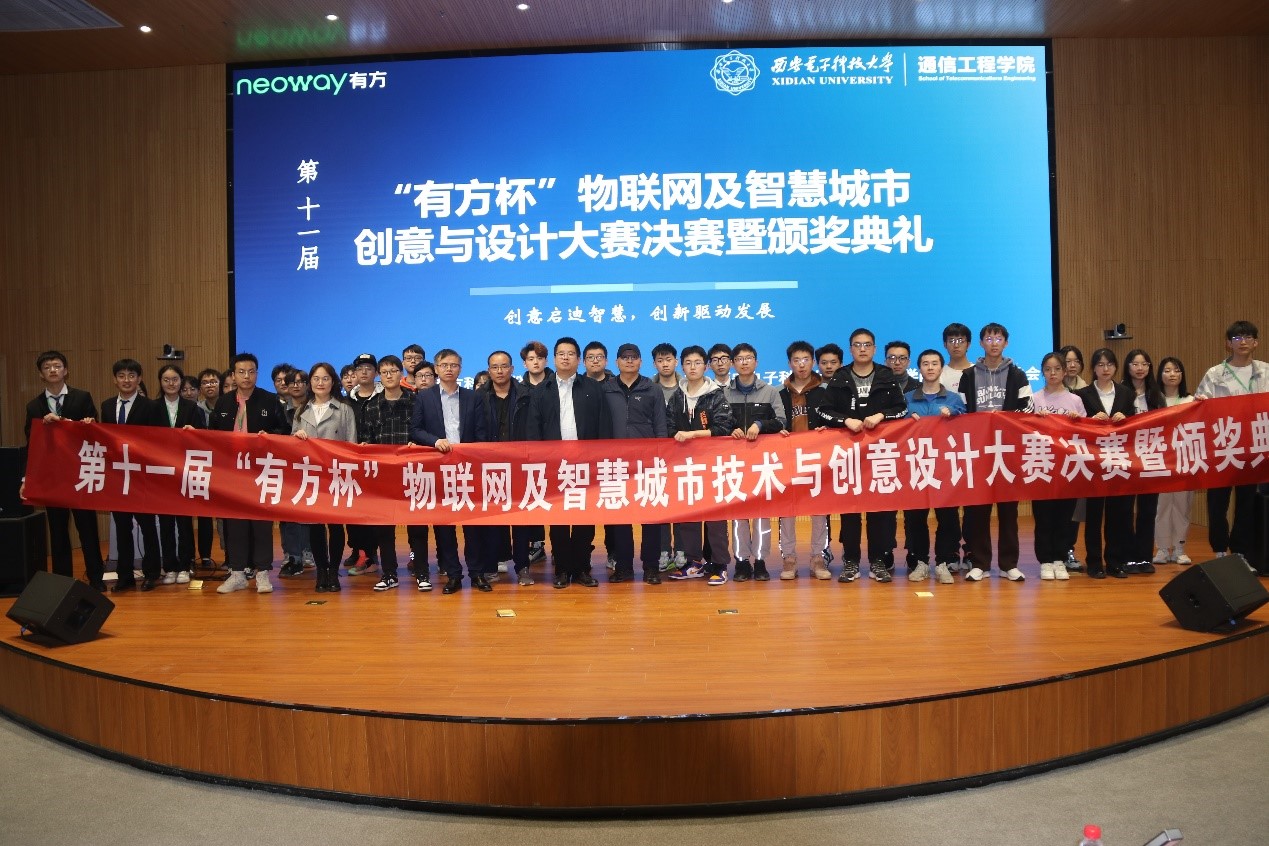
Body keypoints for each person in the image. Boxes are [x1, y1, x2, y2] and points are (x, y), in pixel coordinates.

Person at [816, 328, 907, 584]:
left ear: (874, 349)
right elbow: (823, 410)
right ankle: (851, 561)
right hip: (849, 454)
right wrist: (845, 420)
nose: (863, 349)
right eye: (857, 345)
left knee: (879, 510)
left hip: (880, 453)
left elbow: (901, 408)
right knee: (850, 510)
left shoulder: (886, 375)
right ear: (851, 349)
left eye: (867, 344)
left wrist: (881, 416)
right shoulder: (841, 376)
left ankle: (879, 561)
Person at [526, 337, 611, 589]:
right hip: (555, 466)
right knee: (559, 521)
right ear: (554, 359)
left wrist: (601, 460)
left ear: (578, 359)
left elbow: (603, 425)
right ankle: (562, 569)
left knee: (585, 518)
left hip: (586, 464)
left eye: (571, 353)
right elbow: (533, 430)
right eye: (561, 353)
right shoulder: (541, 391)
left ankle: (582, 568)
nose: (565, 357)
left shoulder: (593, 388)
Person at [955, 322, 1033, 583]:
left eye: (998, 338)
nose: (994, 343)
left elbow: (1027, 409)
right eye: (988, 339)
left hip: (1007, 450)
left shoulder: (1018, 374)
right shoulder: (968, 375)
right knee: (978, 510)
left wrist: (1002, 419)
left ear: (1006, 343)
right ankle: (980, 563)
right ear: (981, 343)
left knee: (1009, 511)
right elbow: (961, 410)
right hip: (978, 451)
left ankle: (1009, 564)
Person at [411, 348, 492, 594]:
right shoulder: (425, 397)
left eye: (454, 365)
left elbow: (481, 433)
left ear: (460, 368)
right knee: (444, 526)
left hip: (468, 468)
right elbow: (415, 430)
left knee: (472, 526)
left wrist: (474, 456)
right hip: (439, 468)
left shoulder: (473, 397)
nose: (449, 369)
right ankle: (453, 575)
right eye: (444, 365)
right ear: (436, 369)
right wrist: (435, 441)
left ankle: (477, 573)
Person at [22, 351, 105, 590]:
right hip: (54, 478)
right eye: (47, 367)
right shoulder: (34, 406)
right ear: (41, 374)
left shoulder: (82, 397)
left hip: (80, 474)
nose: (53, 370)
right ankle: (62, 582)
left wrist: (88, 424)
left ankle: (96, 578)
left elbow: (95, 432)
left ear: (65, 370)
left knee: (87, 529)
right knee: (58, 531)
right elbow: (31, 443)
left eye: (57, 366)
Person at [210, 353, 290, 594]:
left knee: (261, 524)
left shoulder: (269, 400)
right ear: (233, 375)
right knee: (234, 524)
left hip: (260, 471)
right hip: (231, 473)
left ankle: (262, 573)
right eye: (241, 372)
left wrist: (270, 436)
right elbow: (211, 435)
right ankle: (237, 573)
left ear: (257, 373)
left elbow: (284, 430)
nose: (247, 376)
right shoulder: (223, 403)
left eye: (251, 371)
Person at [1194, 320, 1269, 560]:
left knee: (1247, 503)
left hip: (1255, 447)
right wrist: (1199, 403)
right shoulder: (1215, 374)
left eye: (1248, 337)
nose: (1242, 342)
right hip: (1223, 446)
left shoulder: (1266, 372)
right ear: (1228, 343)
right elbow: (1200, 405)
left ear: (1256, 342)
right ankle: (1219, 551)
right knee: (1218, 503)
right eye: (1237, 338)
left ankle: (1240, 553)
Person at [601, 343, 669, 584]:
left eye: (634, 357)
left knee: (650, 517)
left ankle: (651, 567)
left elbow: (660, 425)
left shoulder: (653, 389)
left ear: (640, 362)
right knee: (621, 517)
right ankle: (623, 567)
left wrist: (661, 457)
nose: (629, 361)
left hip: (647, 462)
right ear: (616, 362)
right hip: (615, 463)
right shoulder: (606, 389)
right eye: (624, 357)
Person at [666, 345, 734, 585]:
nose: (692, 367)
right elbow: (669, 426)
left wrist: (693, 435)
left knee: (716, 518)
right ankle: (694, 562)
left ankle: (720, 565)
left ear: (706, 366)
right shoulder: (677, 396)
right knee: (689, 516)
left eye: (697, 363)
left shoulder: (715, 394)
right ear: (682, 366)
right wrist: (678, 436)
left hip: (713, 465)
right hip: (685, 466)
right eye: (688, 363)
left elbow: (723, 427)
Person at [722, 342, 787, 581]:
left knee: (761, 514)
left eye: (749, 358)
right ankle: (741, 562)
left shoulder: (770, 391)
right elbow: (719, 422)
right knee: (738, 513)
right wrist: (731, 429)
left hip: (762, 463)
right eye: (739, 359)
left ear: (756, 362)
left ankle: (760, 561)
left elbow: (781, 421)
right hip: (735, 463)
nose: (744, 362)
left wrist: (760, 424)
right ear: (733, 363)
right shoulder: (724, 393)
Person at [292, 362, 358, 592]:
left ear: (333, 382)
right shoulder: (301, 411)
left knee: (336, 525)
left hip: (336, 474)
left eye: (325, 378)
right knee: (315, 527)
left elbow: (351, 444)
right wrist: (296, 437)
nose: (320, 383)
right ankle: (321, 570)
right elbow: (291, 445)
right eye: (316, 379)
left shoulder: (344, 409)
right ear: (310, 382)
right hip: (311, 475)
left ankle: (333, 571)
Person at [902, 349, 966, 584]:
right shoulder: (907, 398)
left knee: (948, 517)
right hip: (916, 466)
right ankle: (919, 562)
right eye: (925, 364)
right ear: (919, 368)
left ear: (941, 367)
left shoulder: (954, 399)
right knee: (915, 518)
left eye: (935, 363)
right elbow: (895, 429)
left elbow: (968, 427)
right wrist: (907, 422)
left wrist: (954, 415)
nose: (930, 368)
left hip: (944, 467)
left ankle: (943, 563)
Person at [100, 358, 162, 592]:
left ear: (139, 379)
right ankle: (124, 575)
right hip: (118, 476)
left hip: (141, 476)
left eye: (131, 375)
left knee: (147, 527)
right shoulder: (107, 406)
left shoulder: (150, 406)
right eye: (122, 376)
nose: (126, 380)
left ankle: (151, 573)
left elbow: (158, 442)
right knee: (122, 526)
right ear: (114, 380)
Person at [1075, 348, 1137, 579]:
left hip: (1119, 461)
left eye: (1109, 364)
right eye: (1100, 365)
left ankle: (1114, 561)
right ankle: (1094, 562)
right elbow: (1076, 425)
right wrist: (1090, 421)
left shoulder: (1126, 393)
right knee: (1093, 515)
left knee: (1117, 515)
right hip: (1093, 462)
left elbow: (1135, 425)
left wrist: (1126, 419)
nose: (1105, 369)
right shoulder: (1082, 394)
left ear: (1116, 367)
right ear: (1093, 368)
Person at [478, 349, 536, 586]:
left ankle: (523, 567)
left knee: (521, 520)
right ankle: (491, 566)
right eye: (495, 367)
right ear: (489, 370)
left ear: (512, 369)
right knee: (492, 519)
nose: (500, 371)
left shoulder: (526, 395)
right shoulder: (479, 397)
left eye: (504, 366)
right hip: (489, 467)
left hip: (521, 466)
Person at [360, 354, 416, 592]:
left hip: (412, 472)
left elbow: (422, 432)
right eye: (384, 372)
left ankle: (419, 567)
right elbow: (366, 438)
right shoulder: (372, 405)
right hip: (383, 475)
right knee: (384, 528)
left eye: (393, 371)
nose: (389, 375)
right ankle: (390, 573)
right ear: (379, 376)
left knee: (416, 525)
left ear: (400, 374)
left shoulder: (415, 401)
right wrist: (365, 446)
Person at [1030, 352, 1086, 581]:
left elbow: (1086, 433)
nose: (1052, 373)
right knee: (1043, 516)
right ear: (1042, 372)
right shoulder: (1034, 399)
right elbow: (1024, 430)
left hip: (1067, 467)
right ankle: (1045, 560)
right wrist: (1035, 419)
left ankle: (1059, 559)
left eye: (1057, 369)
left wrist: (1076, 421)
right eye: (1047, 369)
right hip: (1042, 465)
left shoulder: (1075, 400)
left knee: (1064, 516)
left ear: (1064, 371)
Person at [778, 341, 829, 581]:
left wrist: (826, 428)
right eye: (796, 360)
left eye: (806, 359)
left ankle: (818, 556)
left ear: (813, 362)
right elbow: (775, 421)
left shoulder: (825, 391)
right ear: (790, 363)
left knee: (819, 509)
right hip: (788, 459)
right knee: (786, 510)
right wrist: (778, 430)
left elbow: (834, 420)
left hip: (817, 457)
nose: (801, 364)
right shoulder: (780, 393)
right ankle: (789, 557)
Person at [154, 364, 204, 585]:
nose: (171, 383)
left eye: (175, 379)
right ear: (160, 382)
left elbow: (204, 437)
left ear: (181, 382)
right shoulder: (152, 407)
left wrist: (195, 434)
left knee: (184, 522)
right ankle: (170, 566)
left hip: (185, 470)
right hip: (161, 471)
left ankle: (185, 564)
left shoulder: (192, 408)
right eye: (166, 379)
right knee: (165, 521)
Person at [1121, 349, 1166, 574]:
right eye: (1135, 364)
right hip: (1125, 459)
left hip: (1150, 458)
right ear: (1127, 367)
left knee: (1148, 510)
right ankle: (1128, 557)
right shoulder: (1120, 392)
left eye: (1145, 364)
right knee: (1125, 510)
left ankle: (1144, 557)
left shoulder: (1157, 395)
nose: (1140, 368)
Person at [343, 353, 383, 576]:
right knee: (354, 512)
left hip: (379, 465)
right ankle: (362, 553)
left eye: (369, 368)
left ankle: (373, 555)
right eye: (360, 369)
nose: (364, 372)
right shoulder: (347, 401)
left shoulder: (384, 397)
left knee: (377, 513)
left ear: (376, 372)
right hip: (352, 466)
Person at [1154, 357, 1195, 565]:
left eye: (1176, 370)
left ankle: (1179, 548)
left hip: (1183, 460)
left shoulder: (1191, 400)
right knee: (1161, 506)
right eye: (1167, 370)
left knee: (1182, 505)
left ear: (1182, 375)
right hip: (1159, 460)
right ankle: (1162, 549)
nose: (1172, 374)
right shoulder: (1153, 400)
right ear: (1160, 374)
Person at [651, 341, 686, 572]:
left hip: (684, 454)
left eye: (669, 359)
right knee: (661, 501)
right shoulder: (647, 387)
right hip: (657, 456)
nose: (665, 364)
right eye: (660, 360)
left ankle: (682, 550)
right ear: (654, 363)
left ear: (676, 362)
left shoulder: (687, 387)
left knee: (681, 501)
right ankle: (663, 550)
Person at [519, 340, 552, 566]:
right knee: (533, 497)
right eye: (531, 359)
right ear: (525, 363)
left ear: (546, 361)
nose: (536, 362)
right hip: (527, 452)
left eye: (539, 358)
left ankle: (560, 547)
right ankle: (537, 544)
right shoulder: (519, 388)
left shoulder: (555, 384)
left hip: (554, 451)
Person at [938, 322, 974, 392]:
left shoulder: (978, 372)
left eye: (961, 341)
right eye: (951, 341)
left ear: (968, 344)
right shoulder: (939, 374)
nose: (956, 345)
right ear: (945, 344)